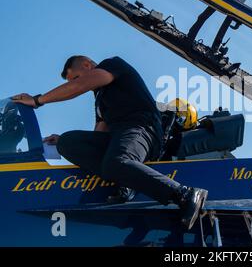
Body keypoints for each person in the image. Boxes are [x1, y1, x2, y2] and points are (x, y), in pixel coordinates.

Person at [12, 55, 208, 230]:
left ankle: (185, 194)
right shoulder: (101, 102)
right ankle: (126, 178)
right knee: (68, 143)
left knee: (117, 161)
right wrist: (61, 140)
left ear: (88, 65)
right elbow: (99, 134)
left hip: (142, 128)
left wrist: (38, 100)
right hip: (120, 137)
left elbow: (81, 85)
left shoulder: (112, 65)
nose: (76, 83)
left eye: (76, 77)